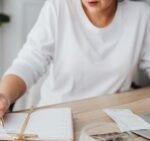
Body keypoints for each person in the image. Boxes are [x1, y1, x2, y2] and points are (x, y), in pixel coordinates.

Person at [0, 0, 150, 118]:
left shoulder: (141, 15)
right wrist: (4, 95)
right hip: (57, 117)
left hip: (113, 120)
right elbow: (29, 62)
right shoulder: (58, 7)